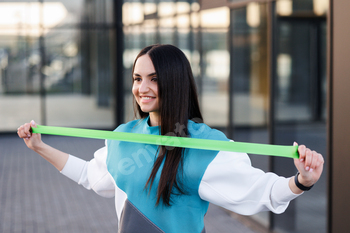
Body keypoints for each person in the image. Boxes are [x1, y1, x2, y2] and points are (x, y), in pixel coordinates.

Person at [17, 44, 324, 233]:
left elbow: (260, 193)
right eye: (138, 78)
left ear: (174, 82)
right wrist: (40, 146)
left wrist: (302, 181)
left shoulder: (205, 145)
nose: (142, 88)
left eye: (154, 78)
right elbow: (92, 177)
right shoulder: (123, 136)